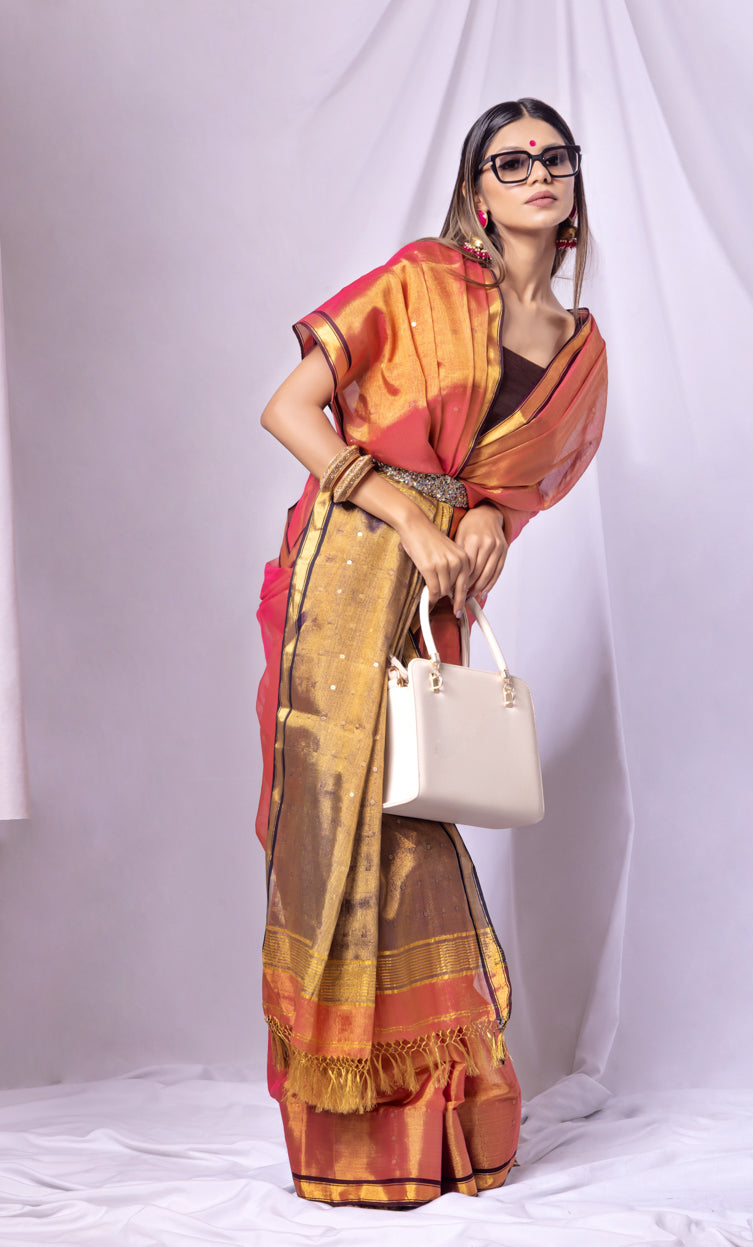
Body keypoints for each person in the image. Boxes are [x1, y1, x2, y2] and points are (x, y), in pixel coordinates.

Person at [255, 98, 608, 1208]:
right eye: (512, 160)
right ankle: (342, 1132)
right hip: (340, 574)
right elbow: (289, 408)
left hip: (432, 597)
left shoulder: (579, 349)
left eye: (554, 156)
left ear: (573, 182)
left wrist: (491, 511)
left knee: (412, 827)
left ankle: (434, 1125)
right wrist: (410, 515)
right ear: (477, 193)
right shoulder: (420, 280)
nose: (537, 172)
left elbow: (515, 483)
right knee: (335, 832)